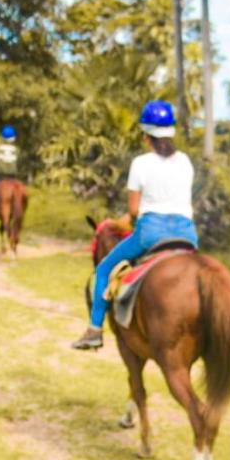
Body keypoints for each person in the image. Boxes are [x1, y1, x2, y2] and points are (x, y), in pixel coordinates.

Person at [71, 100, 198, 350]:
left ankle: (94, 330)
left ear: (145, 134)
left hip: (151, 233)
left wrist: (112, 223)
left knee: (104, 270)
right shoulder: (185, 161)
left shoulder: (141, 163)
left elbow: (133, 211)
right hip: (187, 234)